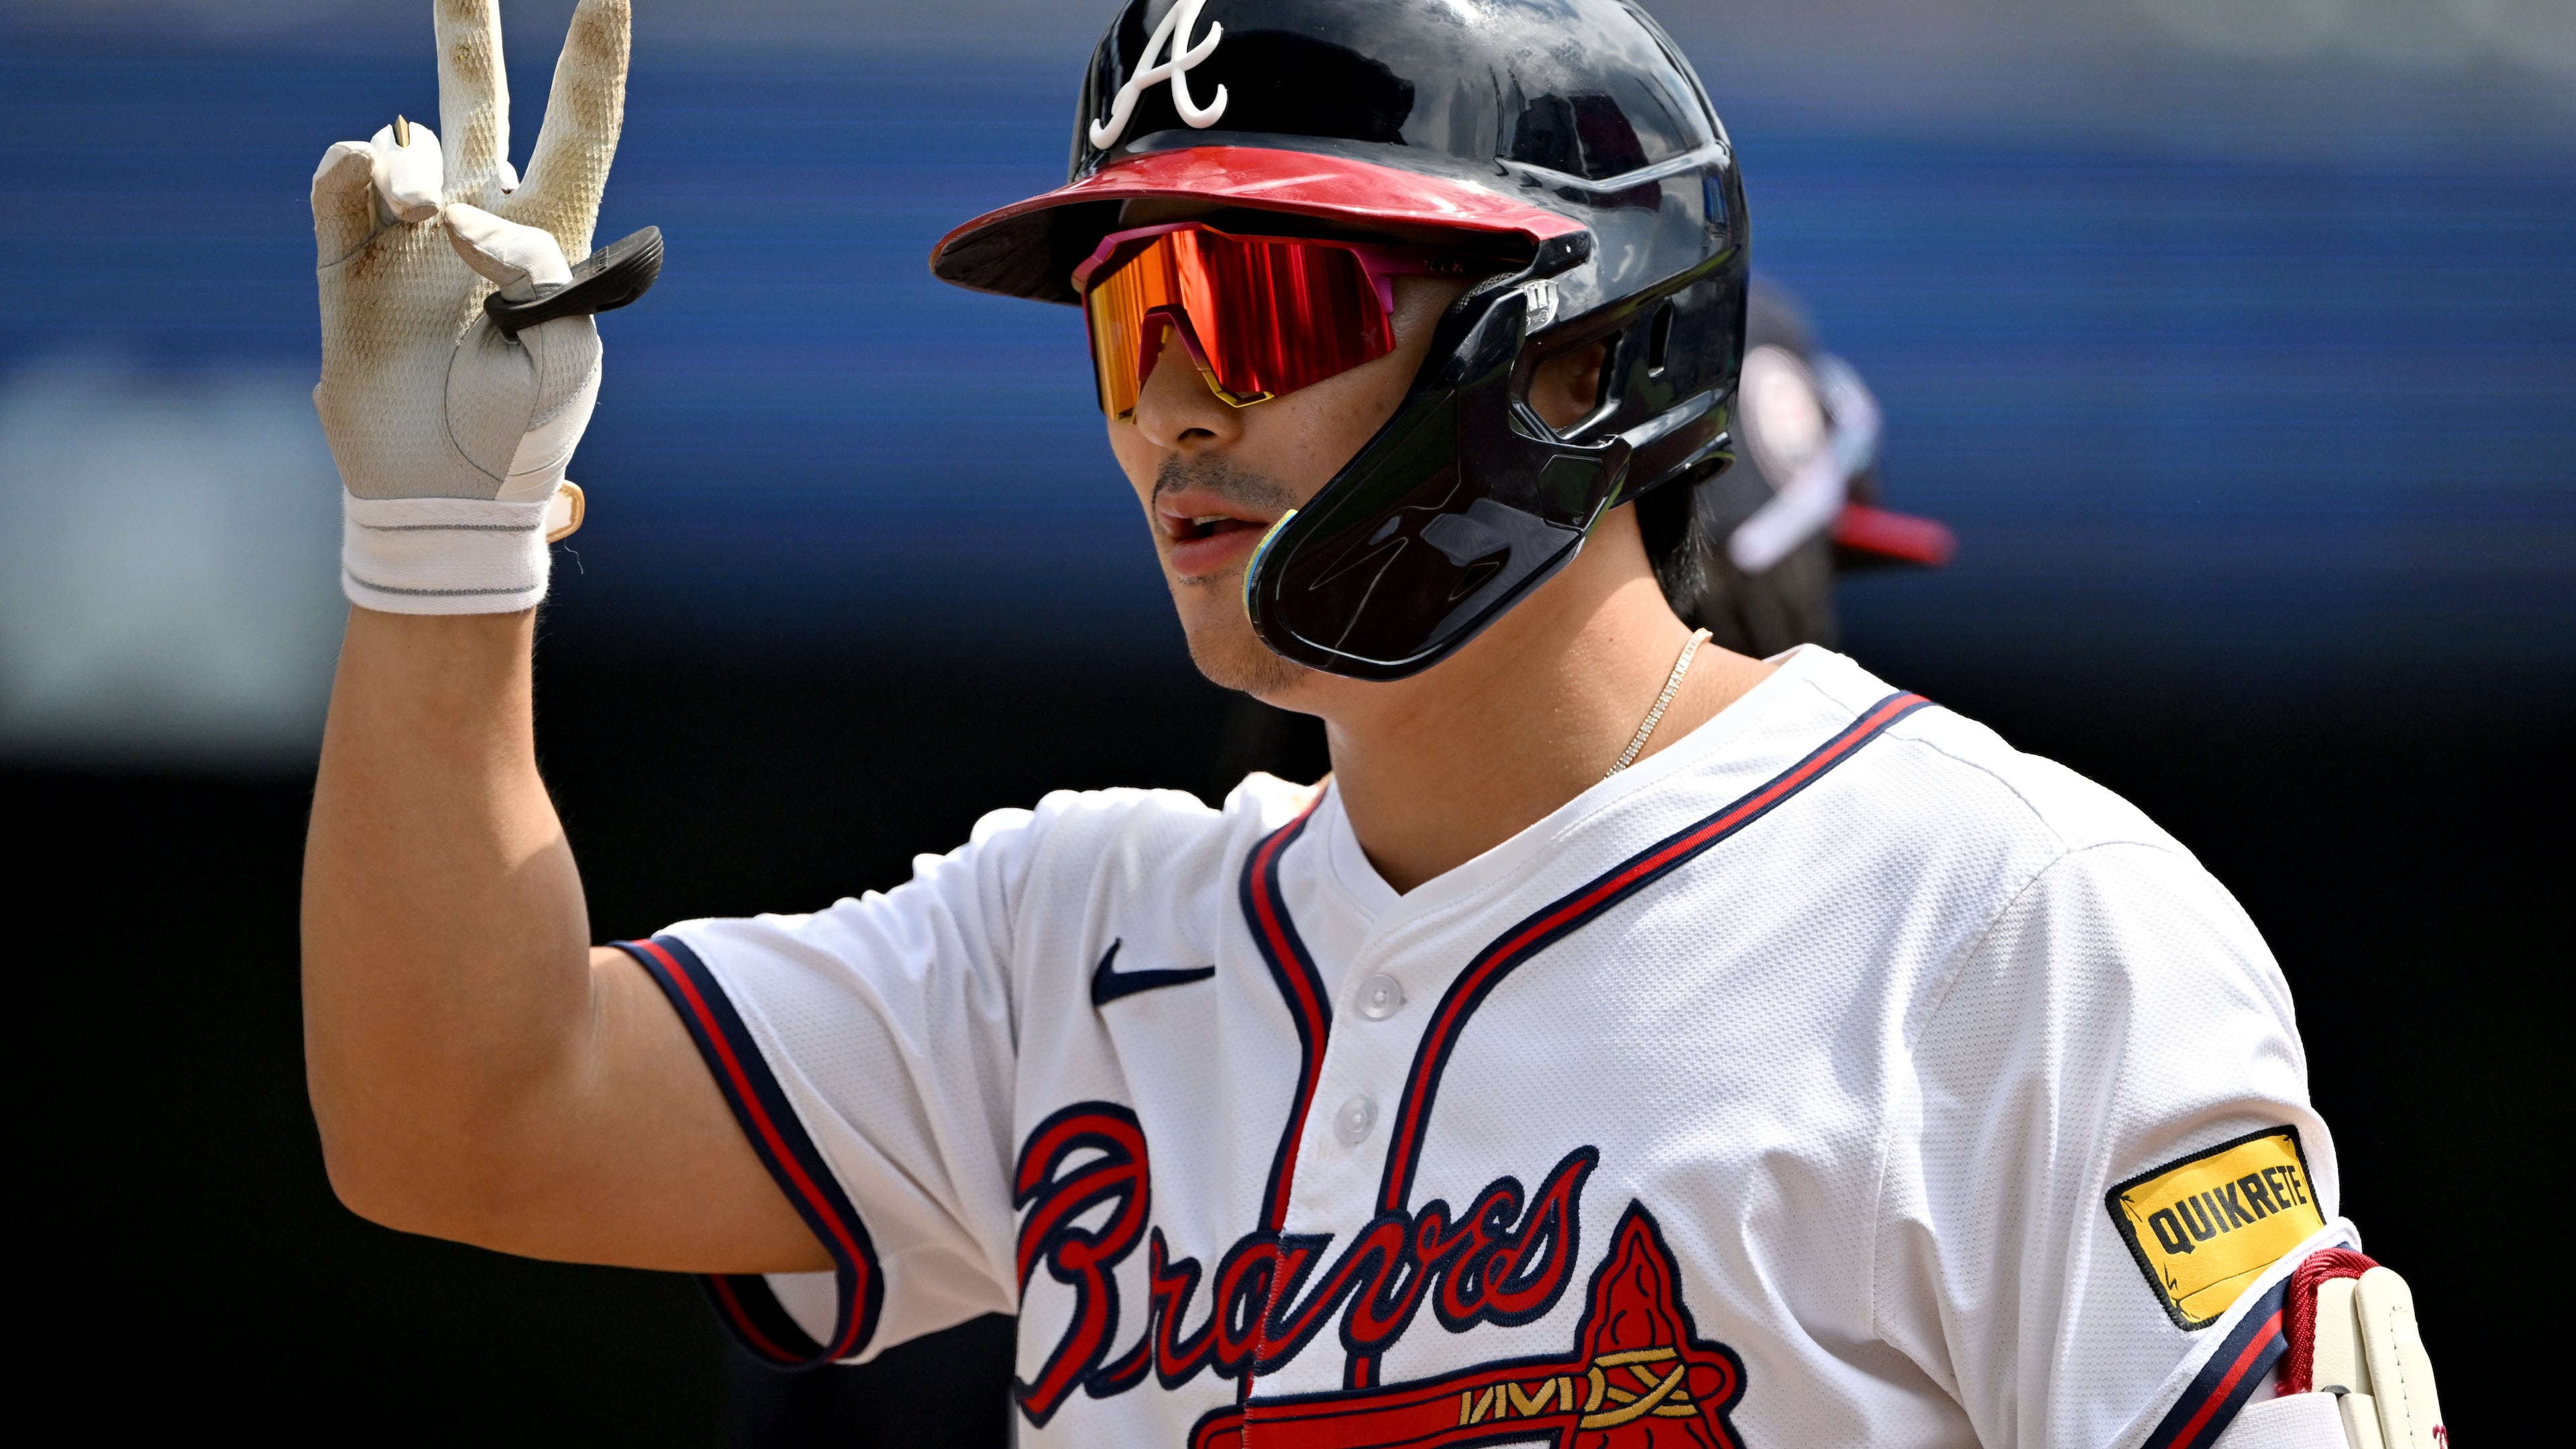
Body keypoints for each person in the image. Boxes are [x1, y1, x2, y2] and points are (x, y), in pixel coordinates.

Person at [299, 3, 2445, 1447]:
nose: (1175, 408)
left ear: (1573, 359)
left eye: (1262, 302)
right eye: (1129, 323)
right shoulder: (1074, 938)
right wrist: (433, 546)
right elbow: (464, 1112)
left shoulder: (2003, 922)